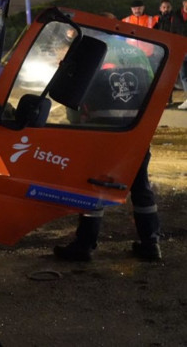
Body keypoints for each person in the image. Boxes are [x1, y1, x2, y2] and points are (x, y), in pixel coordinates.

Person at [54, 31, 161, 262]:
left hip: (103, 130)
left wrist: (76, 123)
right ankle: (151, 243)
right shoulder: (137, 53)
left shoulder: (93, 50)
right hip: (136, 129)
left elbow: (77, 92)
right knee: (141, 186)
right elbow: (152, 86)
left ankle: (84, 244)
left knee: (95, 186)